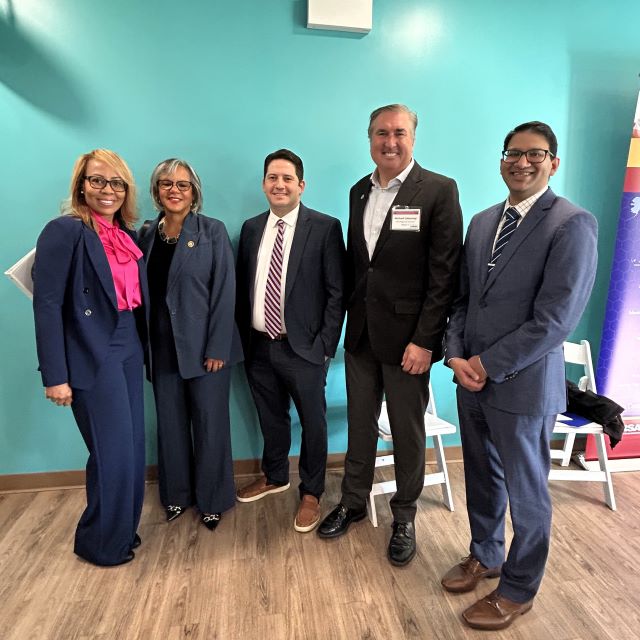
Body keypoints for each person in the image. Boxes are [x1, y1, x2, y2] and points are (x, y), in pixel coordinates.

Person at [442, 122, 598, 630]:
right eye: (513, 152)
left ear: (554, 162)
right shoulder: (484, 221)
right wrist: (455, 355)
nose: (522, 161)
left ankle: (518, 588)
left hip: (524, 387)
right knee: (483, 479)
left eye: (535, 154)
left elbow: (555, 321)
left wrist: (486, 364)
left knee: (528, 494)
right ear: (501, 159)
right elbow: (465, 299)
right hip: (471, 382)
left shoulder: (572, 224)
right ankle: (485, 555)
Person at [318, 104, 463, 567]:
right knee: (360, 424)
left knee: (406, 431)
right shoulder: (359, 190)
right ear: (370, 138)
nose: (390, 141)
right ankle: (354, 502)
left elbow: (445, 275)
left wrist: (426, 340)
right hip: (361, 334)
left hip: (409, 342)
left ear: (414, 138)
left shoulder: (439, 190)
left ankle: (404, 515)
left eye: (399, 132)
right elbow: (364, 265)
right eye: (381, 133)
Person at [33, 149, 148, 566]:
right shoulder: (64, 231)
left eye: (117, 183)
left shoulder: (128, 234)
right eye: (98, 180)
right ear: (81, 183)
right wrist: (55, 375)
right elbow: (46, 306)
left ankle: (121, 532)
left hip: (129, 341)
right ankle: (100, 542)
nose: (108, 190)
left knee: (134, 449)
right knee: (111, 451)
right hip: (91, 349)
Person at [235, 149, 345, 533]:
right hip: (259, 345)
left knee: (313, 422)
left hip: (305, 349)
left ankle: (312, 491)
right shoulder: (250, 229)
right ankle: (275, 474)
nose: (278, 185)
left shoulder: (325, 227)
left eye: (287, 179)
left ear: (301, 185)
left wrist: (325, 347)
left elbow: (337, 293)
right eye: (272, 178)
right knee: (270, 415)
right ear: (264, 184)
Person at [138, 159, 242, 531]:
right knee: (171, 425)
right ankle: (177, 495)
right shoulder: (146, 234)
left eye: (183, 184)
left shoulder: (212, 231)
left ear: (194, 191)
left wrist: (217, 347)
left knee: (211, 425)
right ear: (156, 191)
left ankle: (213, 499)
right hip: (163, 349)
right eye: (166, 184)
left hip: (207, 350)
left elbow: (225, 293)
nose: (174, 190)